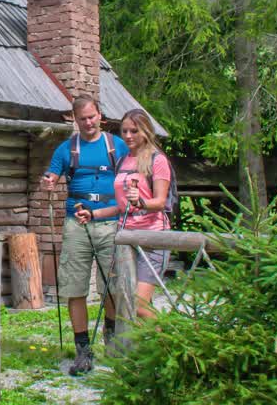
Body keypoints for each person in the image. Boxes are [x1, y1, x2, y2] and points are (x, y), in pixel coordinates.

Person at [41, 95, 129, 376]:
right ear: (75, 120)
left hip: (111, 221)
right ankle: (83, 350)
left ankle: (112, 340)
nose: (88, 123)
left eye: (92, 117)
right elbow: (51, 176)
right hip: (76, 222)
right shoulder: (66, 149)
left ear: (100, 115)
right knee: (74, 287)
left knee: (113, 286)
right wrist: (49, 182)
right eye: (82, 119)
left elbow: (132, 177)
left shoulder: (118, 146)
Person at [113, 108, 172, 319]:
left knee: (140, 306)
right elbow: (121, 205)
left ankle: (166, 345)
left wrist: (141, 202)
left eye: (134, 131)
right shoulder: (122, 161)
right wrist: (93, 214)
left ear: (145, 131)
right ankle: (139, 350)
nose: (128, 136)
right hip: (126, 236)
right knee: (127, 302)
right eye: (125, 131)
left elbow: (161, 201)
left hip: (153, 236)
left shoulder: (157, 160)